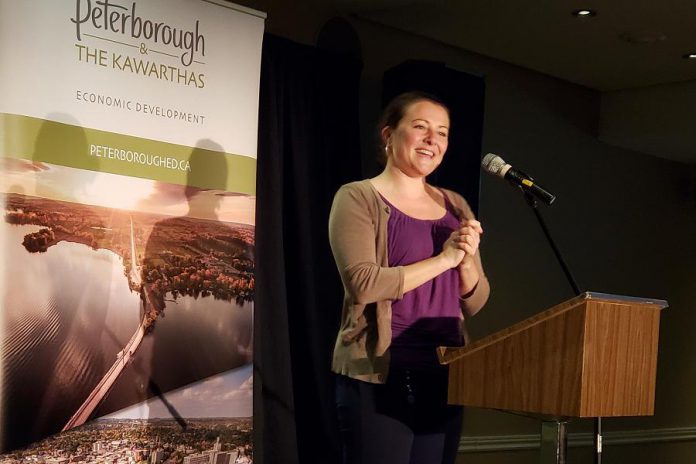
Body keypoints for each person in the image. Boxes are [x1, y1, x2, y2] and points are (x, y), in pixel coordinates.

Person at [329, 91, 490, 464]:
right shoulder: (357, 197)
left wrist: (465, 265)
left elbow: (476, 300)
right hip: (381, 376)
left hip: (445, 374)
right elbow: (364, 284)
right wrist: (445, 258)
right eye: (420, 127)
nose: (433, 139)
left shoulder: (455, 205)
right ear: (388, 135)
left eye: (443, 132)